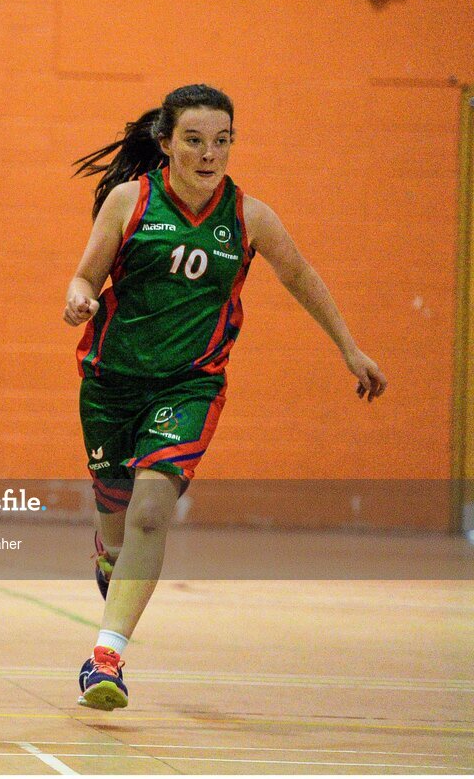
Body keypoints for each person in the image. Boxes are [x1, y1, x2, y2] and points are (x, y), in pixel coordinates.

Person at [63, 84, 386, 711]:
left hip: (190, 383)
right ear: (165, 144)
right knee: (116, 517)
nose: (210, 153)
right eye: (194, 140)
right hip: (111, 381)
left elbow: (301, 276)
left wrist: (350, 347)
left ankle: (105, 659)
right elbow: (87, 274)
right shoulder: (130, 202)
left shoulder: (249, 217)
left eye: (222, 140)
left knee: (151, 513)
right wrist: (78, 297)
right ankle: (110, 555)